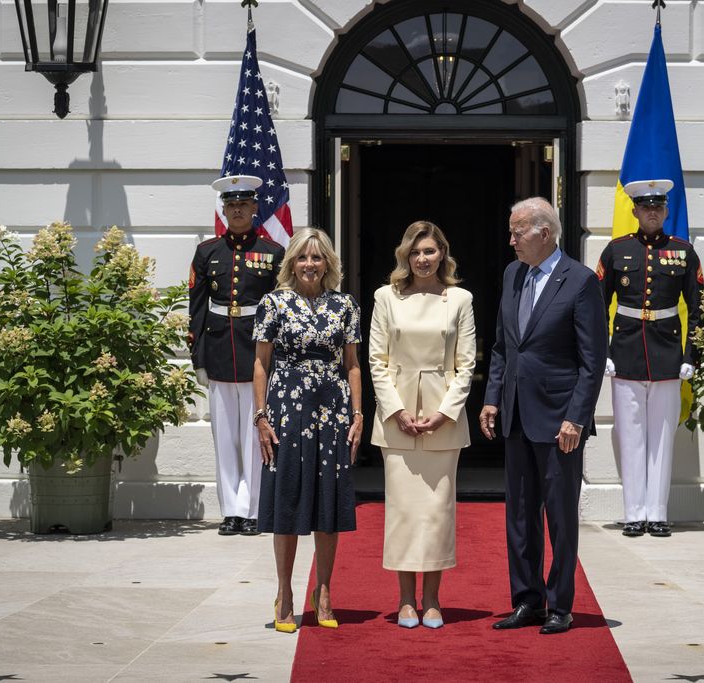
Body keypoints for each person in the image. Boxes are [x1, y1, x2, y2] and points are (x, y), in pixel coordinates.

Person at [480, 197, 607, 635]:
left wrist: (576, 418)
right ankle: (526, 600)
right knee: (518, 515)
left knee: (559, 516)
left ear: (545, 233)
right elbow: (503, 345)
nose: (510, 239)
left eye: (518, 231)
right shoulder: (513, 274)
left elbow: (592, 361)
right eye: (511, 230)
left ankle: (561, 605)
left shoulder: (581, 281)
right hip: (516, 414)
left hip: (559, 423)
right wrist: (492, 397)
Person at [252, 227, 362, 634]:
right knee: (289, 497)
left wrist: (358, 414)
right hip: (286, 409)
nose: (310, 265)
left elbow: (352, 365)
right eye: (303, 257)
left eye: (317, 258)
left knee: (328, 502)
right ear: (291, 262)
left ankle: (325, 590)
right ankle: (285, 593)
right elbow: (261, 364)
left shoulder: (344, 305)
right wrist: (261, 417)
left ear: (328, 263)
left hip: (332, 409)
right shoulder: (273, 303)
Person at [368, 221, 476, 630]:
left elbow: (466, 365)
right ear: (405, 256)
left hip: (442, 419)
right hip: (397, 418)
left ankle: (432, 599)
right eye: (415, 252)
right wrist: (395, 410)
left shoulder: (460, 299)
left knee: (435, 512)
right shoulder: (386, 297)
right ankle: (405, 600)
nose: (423, 259)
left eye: (430, 251)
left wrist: (445, 412)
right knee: (403, 512)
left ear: (443, 254)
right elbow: (376, 361)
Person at [596, 179, 704, 538]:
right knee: (630, 435)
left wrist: (692, 355)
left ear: (667, 211)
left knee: (661, 437)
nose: (652, 213)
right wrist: (604, 351)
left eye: (658, 207)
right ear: (635, 211)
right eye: (646, 207)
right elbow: (596, 307)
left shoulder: (683, 251)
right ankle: (633, 514)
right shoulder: (616, 251)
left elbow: (698, 308)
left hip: (668, 354)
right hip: (625, 352)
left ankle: (657, 512)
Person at [189, 174, 286, 537]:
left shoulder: (273, 252)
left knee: (255, 434)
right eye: (231, 205)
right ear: (224, 210)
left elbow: (280, 308)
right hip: (218, 350)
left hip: (258, 354)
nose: (238, 210)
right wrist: (197, 355)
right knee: (225, 436)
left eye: (244, 204)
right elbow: (196, 307)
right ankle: (230, 510)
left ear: (255, 208)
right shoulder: (207, 252)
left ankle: (254, 509)